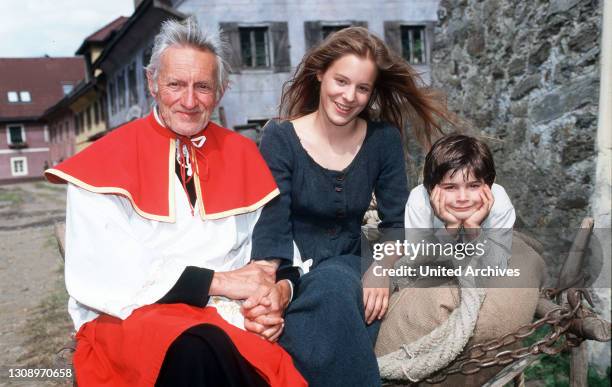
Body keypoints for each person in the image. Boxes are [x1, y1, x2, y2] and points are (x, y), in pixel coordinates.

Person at [45, 18, 305, 387]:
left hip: (226, 314)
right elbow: (111, 273)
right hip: (133, 317)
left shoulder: (245, 153)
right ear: (152, 84)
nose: (188, 101)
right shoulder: (103, 161)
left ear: (222, 91)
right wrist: (223, 282)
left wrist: (274, 295)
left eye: (202, 87)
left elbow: (278, 251)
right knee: (196, 349)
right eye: (175, 85)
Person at [247, 27, 456, 387]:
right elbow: (272, 226)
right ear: (319, 75)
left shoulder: (383, 139)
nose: (349, 96)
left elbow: (395, 222)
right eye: (341, 81)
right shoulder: (280, 138)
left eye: (362, 88)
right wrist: (268, 286)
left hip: (350, 260)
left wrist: (382, 267)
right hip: (293, 265)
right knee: (309, 311)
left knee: (334, 289)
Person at [375, 134, 544, 385]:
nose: (463, 197)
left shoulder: (499, 203)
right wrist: (450, 229)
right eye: (450, 187)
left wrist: (475, 230)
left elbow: (495, 267)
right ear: (431, 189)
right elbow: (415, 268)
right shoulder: (419, 202)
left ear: (490, 185)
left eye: (474, 186)